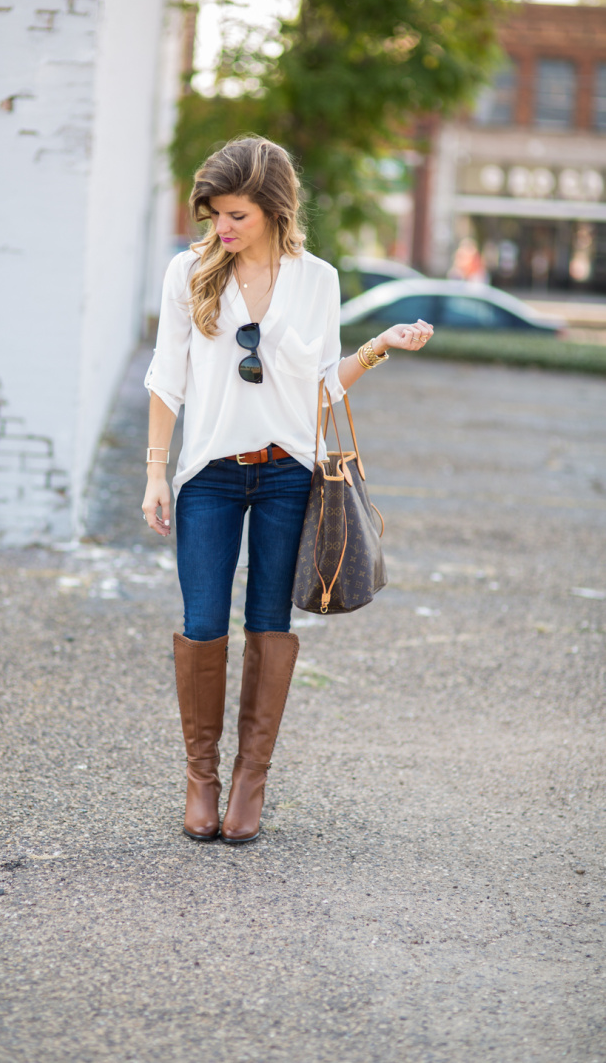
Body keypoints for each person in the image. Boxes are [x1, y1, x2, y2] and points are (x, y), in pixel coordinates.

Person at [142, 136, 433, 845]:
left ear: (273, 210)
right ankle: (201, 779)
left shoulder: (318, 280)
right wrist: (155, 470)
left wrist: (378, 346)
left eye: (236, 215)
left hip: (285, 475)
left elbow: (321, 387)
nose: (222, 229)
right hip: (208, 474)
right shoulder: (190, 273)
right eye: (214, 214)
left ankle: (250, 781)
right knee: (203, 620)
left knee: (270, 622)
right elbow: (165, 376)